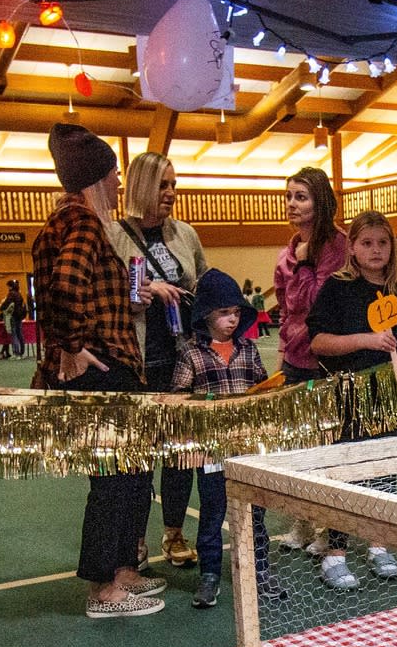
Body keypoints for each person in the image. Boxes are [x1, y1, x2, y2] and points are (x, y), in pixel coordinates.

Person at [33, 122, 167, 619]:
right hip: (105, 368)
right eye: (114, 174)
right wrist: (74, 345)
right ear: (97, 176)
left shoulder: (61, 221)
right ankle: (104, 588)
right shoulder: (84, 223)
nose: (118, 183)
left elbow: (69, 290)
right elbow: (67, 286)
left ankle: (123, 571)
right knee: (113, 477)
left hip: (104, 365)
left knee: (128, 473)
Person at [307, 209, 397, 589]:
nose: (376, 250)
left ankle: (379, 543)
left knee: (385, 473)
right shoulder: (337, 288)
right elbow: (318, 342)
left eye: (383, 242)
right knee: (348, 474)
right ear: (352, 248)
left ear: (392, 247)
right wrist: (366, 340)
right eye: (367, 243)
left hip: (391, 396)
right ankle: (335, 553)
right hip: (349, 396)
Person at [109, 152, 208, 570]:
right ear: (141, 186)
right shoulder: (113, 235)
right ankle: (134, 538)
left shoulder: (185, 234)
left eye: (174, 184)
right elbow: (107, 298)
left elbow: (204, 284)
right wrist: (146, 292)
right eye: (162, 185)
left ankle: (174, 532)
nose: (171, 193)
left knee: (181, 453)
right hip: (136, 362)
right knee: (137, 459)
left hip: (181, 360)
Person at [172, 270, 277, 609]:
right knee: (212, 514)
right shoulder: (191, 354)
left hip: (248, 449)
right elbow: (179, 397)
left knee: (255, 514)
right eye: (223, 313)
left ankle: (260, 568)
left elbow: (262, 387)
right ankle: (210, 574)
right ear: (206, 315)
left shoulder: (249, 350)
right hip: (211, 452)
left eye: (235, 312)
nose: (232, 319)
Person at [272, 166, 350, 555]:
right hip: (295, 362)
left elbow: (320, 300)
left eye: (300, 197)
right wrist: (284, 352)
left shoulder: (339, 247)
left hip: (330, 362)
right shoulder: (286, 254)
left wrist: (304, 263)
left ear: (320, 202)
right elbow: (286, 310)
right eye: (288, 196)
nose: (291, 204)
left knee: (331, 448)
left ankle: (329, 528)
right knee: (298, 448)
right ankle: (302, 521)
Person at [0, 279, 28, 360]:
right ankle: (22, 353)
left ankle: (16, 353)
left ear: (10, 286)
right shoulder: (19, 294)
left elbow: (6, 303)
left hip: (13, 315)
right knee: (20, 334)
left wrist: (1, 308)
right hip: (20, 316)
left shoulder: (11, 294)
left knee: (14, 334)